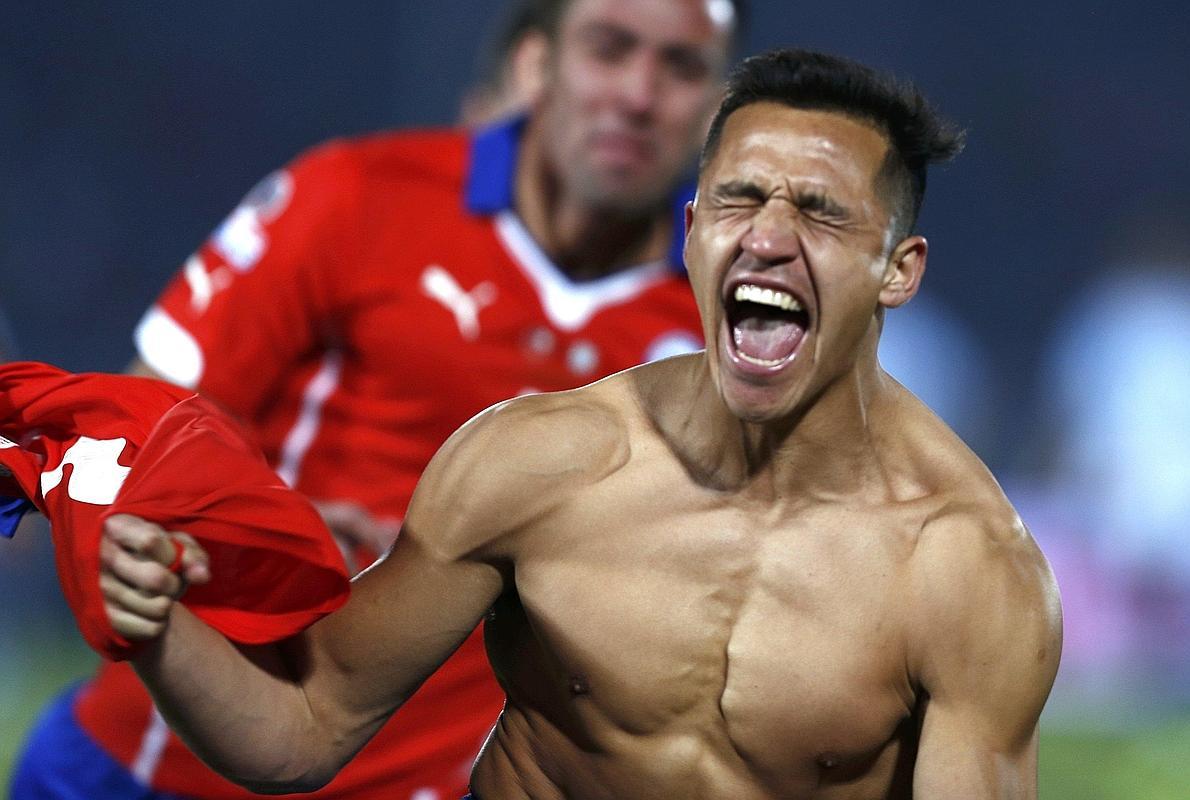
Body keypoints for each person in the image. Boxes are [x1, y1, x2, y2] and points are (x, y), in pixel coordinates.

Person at [97, 48, 1062, 799]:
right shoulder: (541, 463)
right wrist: (155, 628)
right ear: (691, 233)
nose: (767, 237)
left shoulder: (964, 570)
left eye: (819, 212)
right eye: (737, 198)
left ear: (900, 270)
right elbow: (302, 730)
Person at [9, 1, 746, 799]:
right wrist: (250, 523)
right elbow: (130, 426)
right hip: (157, 772)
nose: (639, 94)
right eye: (609, 49)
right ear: (536, 66)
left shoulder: (723, 326)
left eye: (681, 68)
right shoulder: (358, 197)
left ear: (718, 110)